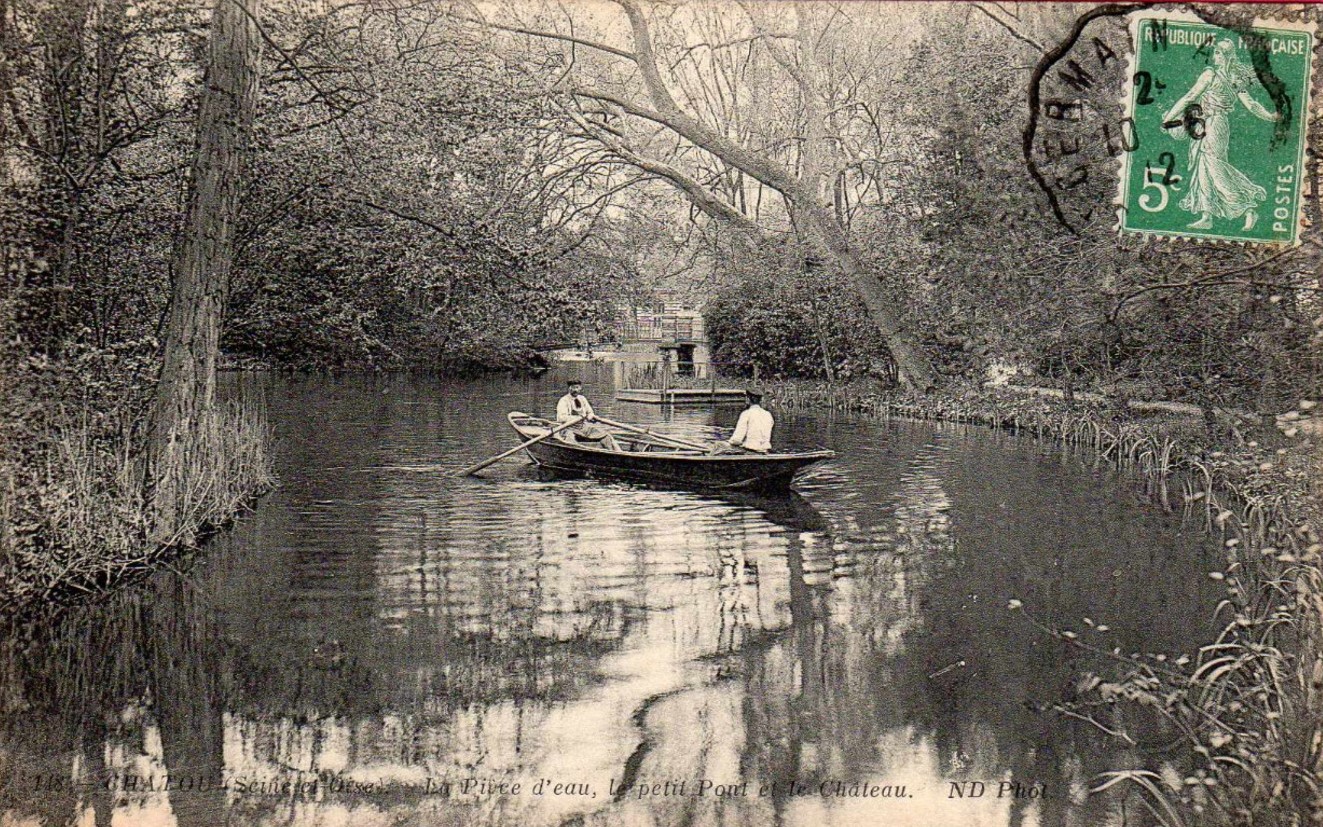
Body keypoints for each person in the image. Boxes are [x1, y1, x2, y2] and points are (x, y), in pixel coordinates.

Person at [1163, 39, 1280, 232]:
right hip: (1205, 123)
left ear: (1226, 56)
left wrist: (1168, 118)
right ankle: (1207, 215)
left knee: (1214, 166)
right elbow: (1192, 96)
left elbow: (1191, 96)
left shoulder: (1218, 76)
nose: (1215, 56)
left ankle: (1247, 208)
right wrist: (1270, 116)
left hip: (1215, 124)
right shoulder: (1227, 76)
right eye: (1215, 52)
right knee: (1203, 167)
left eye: (1218, 53)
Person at [556, 380, 620, 451]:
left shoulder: (582, 399)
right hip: (568, 428)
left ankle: (616, 453)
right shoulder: (564, 400)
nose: (575, 390)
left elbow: (590, 412)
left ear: (580, 388)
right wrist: (579, 417)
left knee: (605, 436)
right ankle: (579, 453)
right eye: (573, 388)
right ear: (569, 388)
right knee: (570, 442)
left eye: (577, 387)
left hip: (583, 427)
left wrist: (590, 416)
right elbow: (561, 418)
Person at [721, 389, 773, 453]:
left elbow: (736, 439)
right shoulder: (768, 415)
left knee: (718, 445)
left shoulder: (746, 414)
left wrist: (729, 442)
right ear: (760, 400)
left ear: (748, 399)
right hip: (765, 450)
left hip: (751, 451)